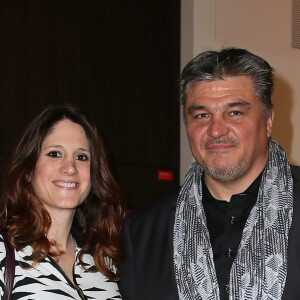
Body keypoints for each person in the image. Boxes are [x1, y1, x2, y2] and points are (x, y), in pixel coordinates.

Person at [118, 48, 300, 300]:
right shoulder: (142, 232)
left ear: (268, 120)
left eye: (234, 112)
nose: (215, 130)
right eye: (202, 115)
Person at [0, 104, 125, 299]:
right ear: (28, 171)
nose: (70, 167)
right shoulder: (4, 253)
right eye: (55, 154)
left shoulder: (104, 263)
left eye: (81, 157)